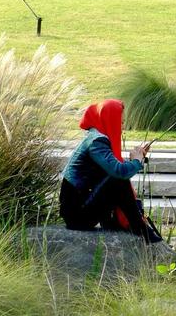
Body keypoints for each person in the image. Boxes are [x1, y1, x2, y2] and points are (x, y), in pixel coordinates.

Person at [60, 99, 163, 244]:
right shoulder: (97, 142)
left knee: (115, 179)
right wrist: (137, 161)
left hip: (79, 209)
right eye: (120, 122)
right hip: (77, 216)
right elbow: (118, 172)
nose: (122, 127)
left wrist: (136, 159)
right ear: (110, 119)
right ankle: (140, 227)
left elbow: (111, 170)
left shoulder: (95, 137)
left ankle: (134, 226)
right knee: (117, 179)